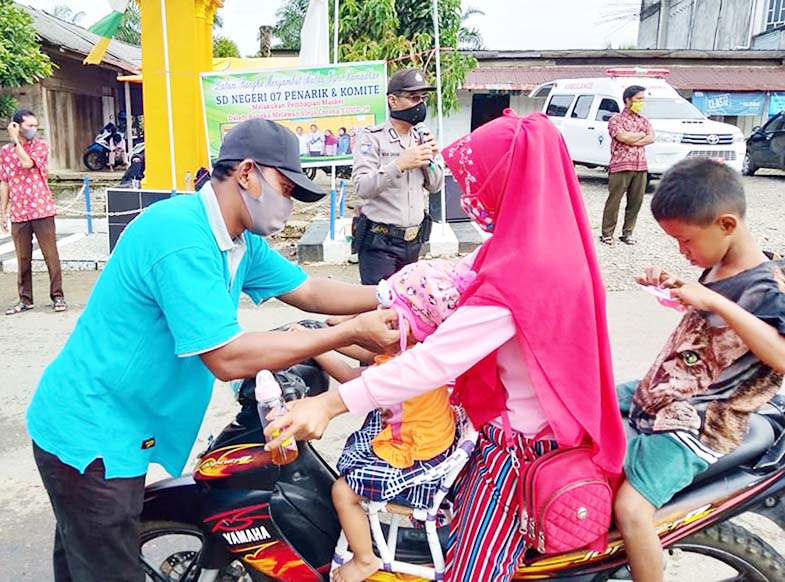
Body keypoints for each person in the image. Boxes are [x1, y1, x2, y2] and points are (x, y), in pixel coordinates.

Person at [26, 119, 401, 582]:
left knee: (85, 555)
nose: (287, 202)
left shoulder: (239, 240)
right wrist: (346, 334)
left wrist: (400, 292)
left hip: (123, 423)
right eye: (284, 188)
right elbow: (226, 357)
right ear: (247, 173)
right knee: (105, 564)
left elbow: (311, 291)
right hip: (91, 433)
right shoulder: (180, 235)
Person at [266, 111, 626, 582]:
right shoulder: (538, 246)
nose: (473, 193)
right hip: (514, 432)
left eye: (480, 180)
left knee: (467, 572)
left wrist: (330, 404)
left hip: (518, 457)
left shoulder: (525, 274)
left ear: (512, 182)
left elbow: (433, 361)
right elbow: (444, 286)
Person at [614, 158, 785, 582]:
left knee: (632, 510)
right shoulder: (718, 263)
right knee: (579, 403)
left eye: (685, 241)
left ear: (726, 224)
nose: (682, 251)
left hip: (700, 423)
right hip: (663, 394)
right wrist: (673, 283)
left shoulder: (768, 286)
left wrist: (716, 302)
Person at [322, 257, 477, 582]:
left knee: (342, 491)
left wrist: (314, 349)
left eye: (391, 315)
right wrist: (338, 330)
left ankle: (364, 559)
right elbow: (369, 351)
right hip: (435, 441)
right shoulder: (422, 348)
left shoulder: (398, 371)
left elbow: (354, 377)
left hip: (417, 457)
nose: (382, 319)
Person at [352, 69, 444, 285]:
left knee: (407, 308)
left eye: (423, 98)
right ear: (393, 100)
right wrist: (399, 164)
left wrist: (430, 159)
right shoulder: (372, 138)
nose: (420, 104)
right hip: (380, 243)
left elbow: (436, 186)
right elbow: (362, 187)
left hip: (414, 242)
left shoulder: (421, 137)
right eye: (413, 98)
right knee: (380, 309)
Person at [0, 108, 66, 315]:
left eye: (35, 126)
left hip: (41, 208)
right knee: (23, 258)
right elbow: (4, 182)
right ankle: (25, 298)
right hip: (19, 212)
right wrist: (3, 212)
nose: (33, 130)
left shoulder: (40, 146)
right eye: (29, 126)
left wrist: (15, 141)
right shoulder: (5, 152)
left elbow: (27, 163)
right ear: (16, 125)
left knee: (50, 255)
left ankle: (58, 295)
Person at [601, 85, 654, 246]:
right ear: (627, 100)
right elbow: (623, 137)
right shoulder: (616, 119)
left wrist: (635, 137)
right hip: (620, 165)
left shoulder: (643, 120)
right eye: (638, 99)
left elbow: (651, 138)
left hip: (640, 166)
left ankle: (627, 233)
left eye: (643, 99)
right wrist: (639, 135)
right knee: (614, 201)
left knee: (635, 202)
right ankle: (607, 233)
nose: (641, 102)